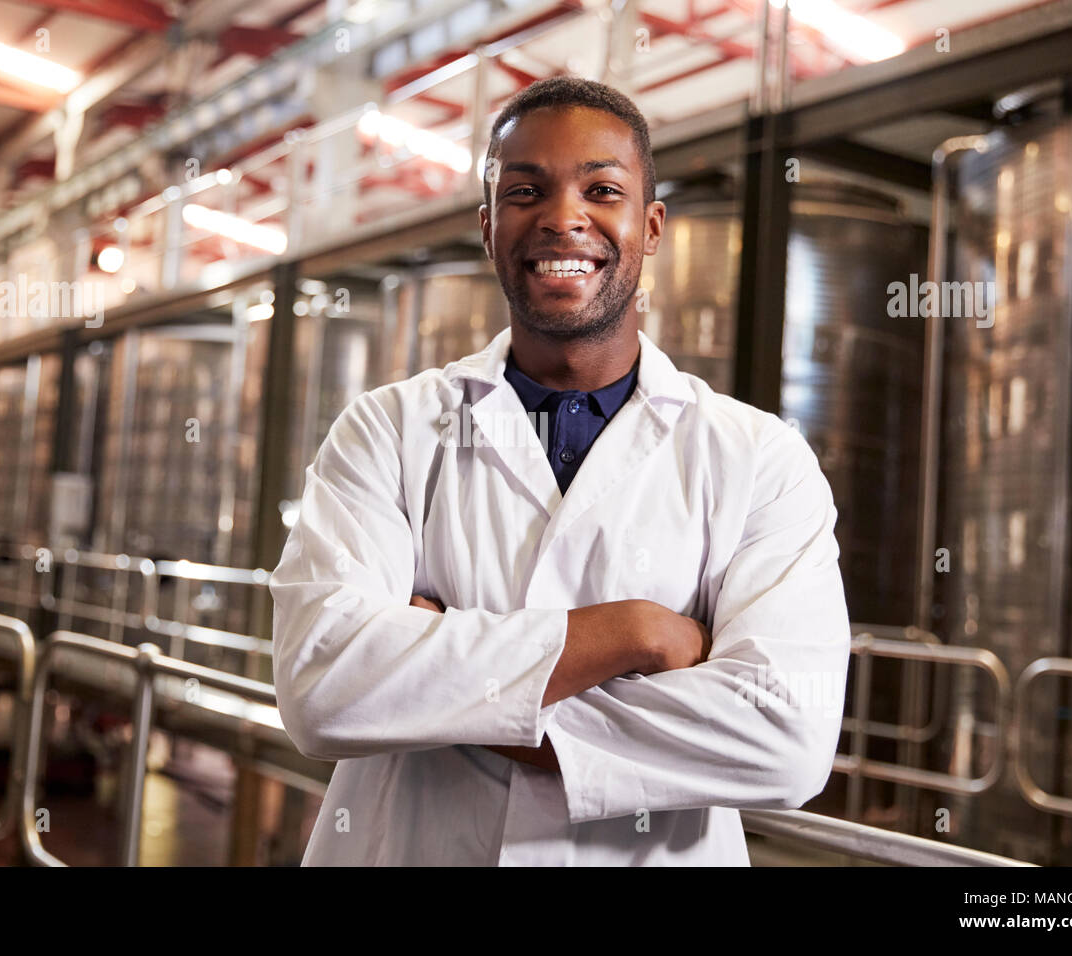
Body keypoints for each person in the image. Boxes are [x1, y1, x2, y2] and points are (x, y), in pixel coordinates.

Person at [269, 76, 851, 865]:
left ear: (650, 229)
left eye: (602, 189)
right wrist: (633, 635)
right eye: (525, 191)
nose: (563, 218)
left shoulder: (758, 459)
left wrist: (437, 680)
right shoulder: (386, 431)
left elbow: (785, 737)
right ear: (488, 226)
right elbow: (323, 688)